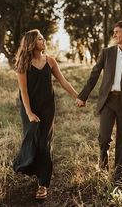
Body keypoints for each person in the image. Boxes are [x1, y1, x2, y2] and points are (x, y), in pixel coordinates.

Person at [76, 20, 122, 185]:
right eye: (114, 32)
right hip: (108, 101)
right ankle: (102, 168)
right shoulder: (107, 53)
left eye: (117, 32)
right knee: (103, 138)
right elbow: (94, 75)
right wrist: (83, 96)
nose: (115, 35)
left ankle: (119, 175)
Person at [13, 29, 78, 199]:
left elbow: (63, 81)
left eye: (43, 38)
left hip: (48, 108)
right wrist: (29, 113)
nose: (44, 41)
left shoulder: (50, 61)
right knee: (32, 140)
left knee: (44, 143)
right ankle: (29, 166)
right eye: (40, 39)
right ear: (32, 43)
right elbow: (24, 92)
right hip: (30, 109)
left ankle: (43, 184)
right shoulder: (23, 63)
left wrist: (78, 97)